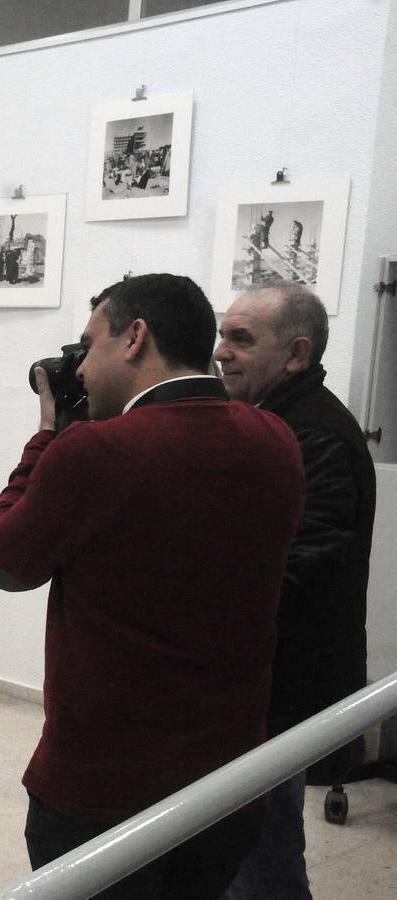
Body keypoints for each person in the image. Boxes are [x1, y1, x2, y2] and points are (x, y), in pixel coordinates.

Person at [0, 273, 305, 898]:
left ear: (134, 338)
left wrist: (47, 433)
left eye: (89, 345)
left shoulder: (95, 453)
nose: (82, 369)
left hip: (103, 788)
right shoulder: (275, 439)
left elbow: (2, 563)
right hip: (228, 781)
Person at [216, 284, 375, 900]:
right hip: (262, 676)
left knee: (262, 852)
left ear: (296, 354)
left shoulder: (316, 435)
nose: (221, 351)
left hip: (280, 684)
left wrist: (206, 621)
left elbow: (303, 564)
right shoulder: (274, 420)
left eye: (241, 339)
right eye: (223, 334)